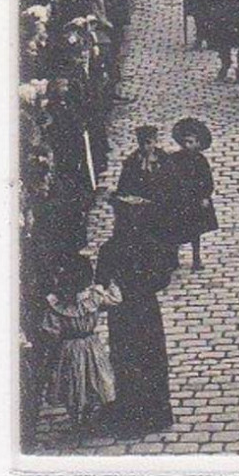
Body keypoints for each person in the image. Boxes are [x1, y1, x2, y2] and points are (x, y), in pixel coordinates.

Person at [95, 193, 175, 439]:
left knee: (130, 358)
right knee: (147, 357)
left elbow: (99, 281)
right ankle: (153, 412)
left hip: (125, 312)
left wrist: (117, 290)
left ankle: (136, 412)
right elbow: (163, 278)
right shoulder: (149, 245)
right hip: (143, 310)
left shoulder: (112, 248)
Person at [40, 253, 120, 439]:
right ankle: (89, 415)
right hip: (91, 345)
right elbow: (115, 299)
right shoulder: (93, 297)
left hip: (68, 348)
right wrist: (111, 284)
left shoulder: (57, 304)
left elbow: (50, 330)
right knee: (96, 380)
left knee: (73, 383)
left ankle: (76, 419)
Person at [164, 116, 216, 271]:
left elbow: (208, 181)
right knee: (175, 229)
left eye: (192, 142)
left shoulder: (201, 160)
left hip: (195, 200)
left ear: (199, 143)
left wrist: (205, 196)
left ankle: (196, 257)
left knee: (195, 231)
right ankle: (173, 259)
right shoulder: (175, 159)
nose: (188, 145)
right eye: (186, 142)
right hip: (179, 199)